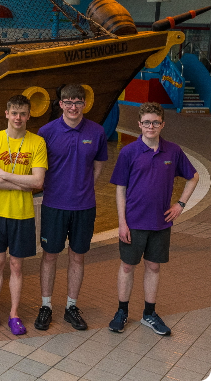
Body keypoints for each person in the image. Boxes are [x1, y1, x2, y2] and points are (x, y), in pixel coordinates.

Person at [108, 102, 198, 336]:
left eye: (155, 122)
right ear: (139, 124)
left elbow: (193, 177)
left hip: (160, 223)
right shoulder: (129, 152)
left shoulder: (173, 151)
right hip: (133, 222)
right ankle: (122, 311)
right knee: (127, 266)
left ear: (162, 124)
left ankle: (149, 313)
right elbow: (120, 189)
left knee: (154, 266)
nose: (151, 126)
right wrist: (122, 222)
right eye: (146, 122)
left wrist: (180, 204)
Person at [34, 85, 108, 332]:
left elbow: (98, 165)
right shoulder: (46, 132)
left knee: (78, 256)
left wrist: (83, 187)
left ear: (85, 104)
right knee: (50, 255)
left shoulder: (96, 132)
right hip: (54, 204)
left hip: (84, 206)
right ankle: (46, 306)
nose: (73, 106)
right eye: (68, 102)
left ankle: (71, 307)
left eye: (78, 102)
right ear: (61, 104)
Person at [0, 95, 47, 336]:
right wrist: (23, 184)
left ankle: (14, 315)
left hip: (23, 214)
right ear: (6, 114)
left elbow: (38, 181)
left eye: (22, 113)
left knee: (17, 266)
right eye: (14, 113)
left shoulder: (37, 143)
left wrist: (5, 175)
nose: (18, 118)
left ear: (29, 116)